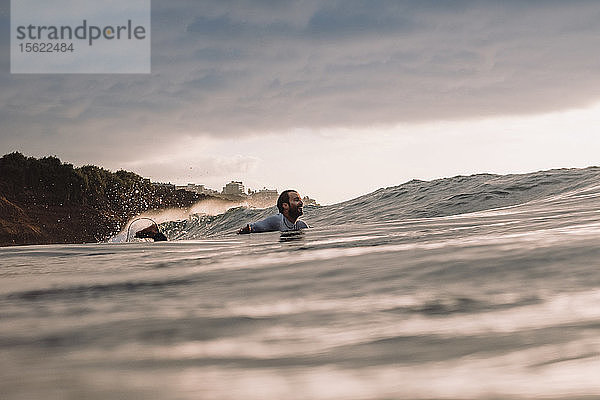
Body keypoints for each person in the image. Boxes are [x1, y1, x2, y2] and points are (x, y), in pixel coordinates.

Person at [238, 189, 309, 234]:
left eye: (300, 200)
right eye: (297, 200)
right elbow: (250, 228)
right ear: (285, 205)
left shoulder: (302, 225)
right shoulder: (277, 220)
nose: (301, 203)